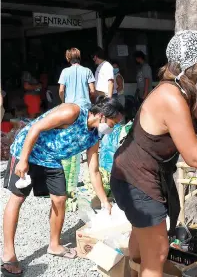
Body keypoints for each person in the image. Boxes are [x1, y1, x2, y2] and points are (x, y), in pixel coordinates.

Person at [110, 30, 197, 277]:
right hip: (135, 179)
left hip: (142, 176)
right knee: (157, 253)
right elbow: (195, 157)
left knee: (143, 241)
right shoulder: (171, 96)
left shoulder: (186, 93)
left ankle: (130, 271)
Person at [1, 97, 123, 276]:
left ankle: (54, 244)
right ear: (103, 116)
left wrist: (104, 201)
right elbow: (36, 127)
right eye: (113, 123)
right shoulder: (72, 112)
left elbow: (94, 170)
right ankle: (8, 253)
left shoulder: (95, 135)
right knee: (18, 197)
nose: (112, 128)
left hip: (51, 159)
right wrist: (24, 159)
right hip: (28, 150)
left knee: (60, 198)